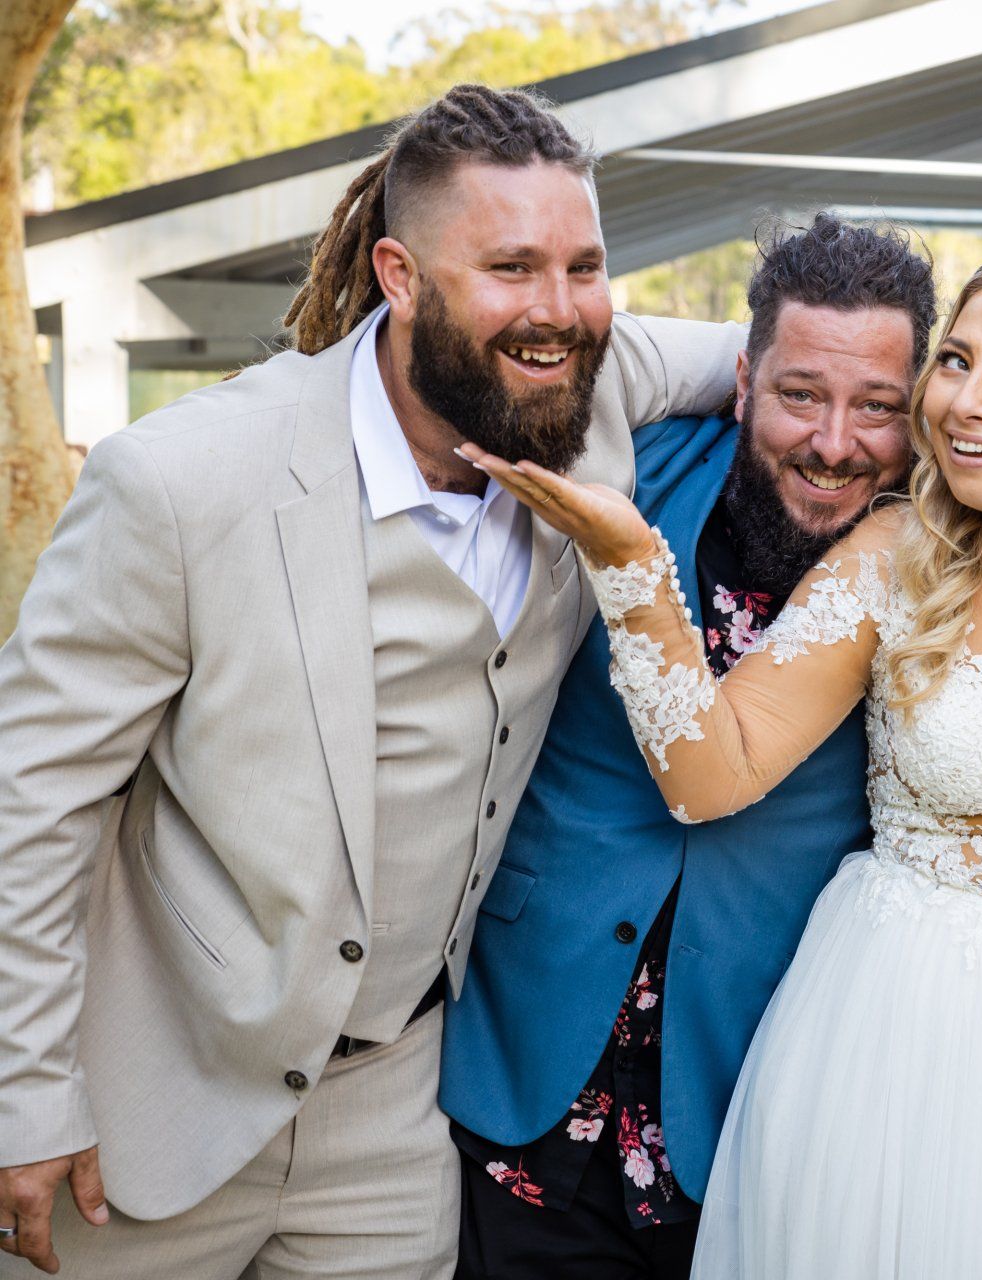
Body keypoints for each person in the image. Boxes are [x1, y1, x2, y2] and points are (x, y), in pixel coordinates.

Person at [0, 85, 743, 1279]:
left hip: (394, 1114)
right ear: (399, 275)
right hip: (148, 1093)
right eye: (509, 267)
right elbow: (28, 800)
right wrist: (24, 1095)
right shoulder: (182, 481)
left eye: (585, 265)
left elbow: (810, 362)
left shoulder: (590, 387)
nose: (557, 309)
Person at [461, 252, 982, 1279]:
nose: (966, 398)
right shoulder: (897, 551)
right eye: (957, 361)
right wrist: (632, 568)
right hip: (894, 1027)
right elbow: (712, 772)